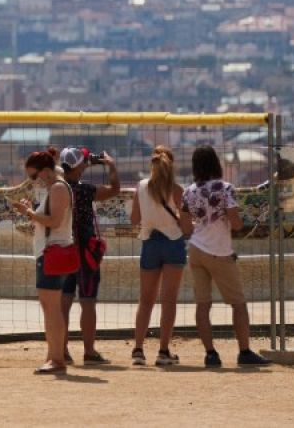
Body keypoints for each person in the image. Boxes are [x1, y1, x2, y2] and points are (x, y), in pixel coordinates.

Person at [183, 145, 270, 368]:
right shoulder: (226, 188)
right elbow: (236, 222)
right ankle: (244, 351)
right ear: (215, 163)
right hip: (220, 251)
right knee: (238, 304)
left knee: (203, 305)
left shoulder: (189, 191)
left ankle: (211, 354)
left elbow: (184, 225)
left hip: (196, 250)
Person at [56, 146, 120, 365]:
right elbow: (114, 189)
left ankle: (62, 350)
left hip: (65, 248)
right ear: (78, 167)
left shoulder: (58, 188)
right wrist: (110, 166)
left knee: (64, 302)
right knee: (88, 302)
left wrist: (82, 162)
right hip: (85, 251)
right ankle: (89, 351)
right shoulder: (85, 191)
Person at [129, 145, 189, 367]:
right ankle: (163, 351)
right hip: (173, 243)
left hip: (149, 243)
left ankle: (138, 349)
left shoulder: (141, 186)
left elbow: (135, 219)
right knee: (169, 300)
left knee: (145, 300)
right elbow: (185, 225)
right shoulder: (177, 190)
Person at [16, 147, 72, 375]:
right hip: (51, 252)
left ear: (45, 171)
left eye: (33, 175)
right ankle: (54, 355)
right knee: (51, 308)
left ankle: (56, 358)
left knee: (52, 309)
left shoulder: (58, 188)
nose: (32, 181)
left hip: (51, 252)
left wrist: (29, 213)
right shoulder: (56, 185)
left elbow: (55, 221)